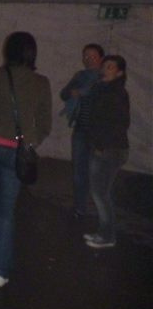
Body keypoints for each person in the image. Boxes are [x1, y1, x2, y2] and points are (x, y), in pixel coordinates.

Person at [0, 32, 52, 288]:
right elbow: (45, 123)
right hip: (17, 150)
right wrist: (30, 142)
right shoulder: (41, 82)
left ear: (8, 51)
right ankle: (1, 273)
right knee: (6, 212)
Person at [83, 55, 130, 249]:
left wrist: (102, 144)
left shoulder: (116, 93)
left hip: (111, 149)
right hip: (102, 147)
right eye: (105, 65)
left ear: (119, 73)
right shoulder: (102, 88)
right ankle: (103, 231)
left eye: (110, 67)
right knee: (99, 192)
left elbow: (120, 123)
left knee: (101, 193)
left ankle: (108, 236)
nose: (105, 69)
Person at [59, 43, 105, 218]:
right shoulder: (80, 76)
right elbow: (64, 94)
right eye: (86, 56)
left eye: (93, 56)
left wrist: (85, 92)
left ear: (101, 58)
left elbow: (106, 99)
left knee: (99, 173)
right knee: (79, 171)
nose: (88, 59)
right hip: (80, 129)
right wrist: (72, 92)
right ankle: (80, 207)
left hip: (99, 132)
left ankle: (103, 210)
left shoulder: (105, 77)